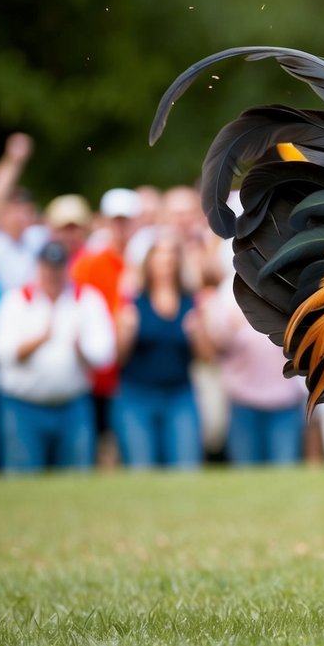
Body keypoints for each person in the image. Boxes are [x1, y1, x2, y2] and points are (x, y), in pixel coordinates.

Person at [0, 240, 115, 472]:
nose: (53, 274)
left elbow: (105, 355)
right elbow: (0, 353)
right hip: (23, 406)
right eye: (48, 267)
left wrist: (81, 349)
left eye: (58, 268)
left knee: (76, 478)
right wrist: (38, 341)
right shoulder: (17, 300)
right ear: (39, 268)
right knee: (23, 477)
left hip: (72, 404)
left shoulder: (86, 299)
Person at [112, 232, 203, 468]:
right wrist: (125, 333)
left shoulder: (189, 303)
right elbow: (118, 359)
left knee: (186, 466)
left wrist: (198, 332)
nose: (165, 263)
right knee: (141, 467)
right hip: (136, 396)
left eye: (170, 256)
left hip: (180, 395)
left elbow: (207, 357)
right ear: (149, 262)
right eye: (159, 256)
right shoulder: (133, 303)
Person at [201, 273, 310, 465]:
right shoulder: (229, 290)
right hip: (244, 399)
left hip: (285, 400)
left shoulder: (289, 281)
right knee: (246, 470)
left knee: (285, 471)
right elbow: (216, 347)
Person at [70, 187, 142, 466]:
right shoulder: (89, 263)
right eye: (116, 220)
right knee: (102, 442)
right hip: (99, 367)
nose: (121, 227)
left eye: (126, 220)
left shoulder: (145, 260)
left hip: (135, 366)